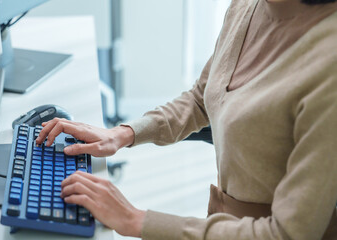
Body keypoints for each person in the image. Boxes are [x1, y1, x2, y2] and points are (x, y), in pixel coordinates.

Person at [36, 0, 337, 239]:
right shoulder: (248, 5)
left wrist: (136, 220)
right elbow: (202, 97)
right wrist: (123, 134)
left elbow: (288, 233)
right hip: (221, 225)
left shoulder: (328, 61)